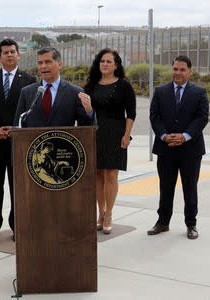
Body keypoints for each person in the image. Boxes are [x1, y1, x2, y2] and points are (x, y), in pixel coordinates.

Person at [0, 39, 36, 241]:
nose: (9, 55)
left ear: (19, 55)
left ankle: (17, 226)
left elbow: (32, 110)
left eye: (13, 51)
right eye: (5, 52)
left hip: (17, 144)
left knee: (17, 187)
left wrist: (16, 128)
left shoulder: (29, 80)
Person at [148, 55, 209, 239]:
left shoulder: (199, 92)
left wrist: (185, 136)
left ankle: (191, 224)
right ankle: (163, 222)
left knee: (190, 188)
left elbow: (202, 117)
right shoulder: (160, 91)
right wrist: (165, 135)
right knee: (165, 187)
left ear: (190, 71)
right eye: (175, 69)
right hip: (165, 148)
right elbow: (154, 116)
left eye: (182, 69)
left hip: (190, 149)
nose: (178, 73)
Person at [81, 48, 136, 234]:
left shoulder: (124, 85)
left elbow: (131, 113)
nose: (104, 64)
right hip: (95, 132)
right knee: (97, 174)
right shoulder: (91, 85)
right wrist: (88, 110)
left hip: (116, 133)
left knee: (111, 174)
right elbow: (85, 113)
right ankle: (100, 212)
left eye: (108, 61)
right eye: (102, 61)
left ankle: (109, 214)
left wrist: (127, 135)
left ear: (116, 65)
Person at [14, 47, 93, 128]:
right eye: (40, 63)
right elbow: (18, 125)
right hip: (34, 140)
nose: (43, 66)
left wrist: (89, 112)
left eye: (48, 62)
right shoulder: (26, 92)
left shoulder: (75, 92)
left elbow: (85, 128)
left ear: (59, 64)